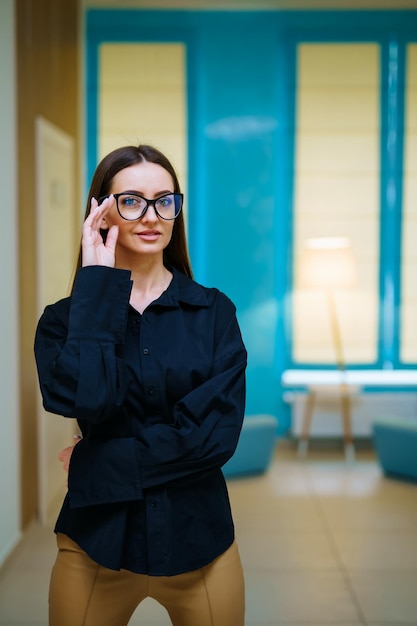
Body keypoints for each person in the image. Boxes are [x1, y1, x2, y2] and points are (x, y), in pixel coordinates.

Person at [34, 144, 247, 626]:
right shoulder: (62, 322)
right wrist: (96, 286)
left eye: (164, 200)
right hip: (96, 545)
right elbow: (83, 398)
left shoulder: (215, 314)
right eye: (131, 200)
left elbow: (213, 437)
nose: (152, 215)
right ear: (102, 211)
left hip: (202, 547)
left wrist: (97, 462)